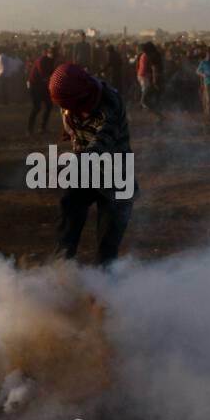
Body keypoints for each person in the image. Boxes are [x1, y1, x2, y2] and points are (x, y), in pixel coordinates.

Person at [48, 63, 135, 267]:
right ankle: (62, 272)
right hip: (84, 167)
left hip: (116, 172)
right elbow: (73, 131)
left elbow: (102, 142)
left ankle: (104, 289)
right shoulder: (68, 100)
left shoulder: (110, 102)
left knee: (108, 244)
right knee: (69, 209)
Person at [27, 45, 56, 134]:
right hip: (34, 85)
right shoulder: (41, 60)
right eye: (51, 53)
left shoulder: (51, 61)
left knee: (49, 105)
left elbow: (51, 73)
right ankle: (29, 129)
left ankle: (42, 128)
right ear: (47, 52)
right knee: (37, 107)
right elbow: (43, 75)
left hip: (42, 86)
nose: (53, 55)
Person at [136, 41, 164, 121]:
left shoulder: (149, 55)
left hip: (148, 77)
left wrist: (154, 79)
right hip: (147, 77)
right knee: (147, 98)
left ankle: (158, 115)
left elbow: (154, 68)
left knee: (147, 98)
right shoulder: (147, 55)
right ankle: (158, 115)